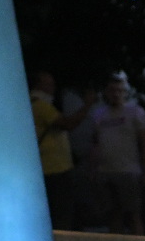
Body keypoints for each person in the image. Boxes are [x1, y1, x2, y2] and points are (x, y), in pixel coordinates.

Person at [29, 71, 96, 229]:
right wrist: (87, 105)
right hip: (54, 169)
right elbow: (68, 124)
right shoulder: (40, 106)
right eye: (48, 84)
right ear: (39, 86)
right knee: (61, 212)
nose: (52, 88)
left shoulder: (32, 104)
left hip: (48, 167)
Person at [90, 72, 145, 234]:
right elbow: (96, 143)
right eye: (112, 90)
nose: (116, 94)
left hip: (129, 170)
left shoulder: (136, 113)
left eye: (120, 90)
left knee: (133, 214)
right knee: (112, 214)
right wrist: (93, 168)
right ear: (106, 92)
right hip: (105, 170)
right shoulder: (98, 114)